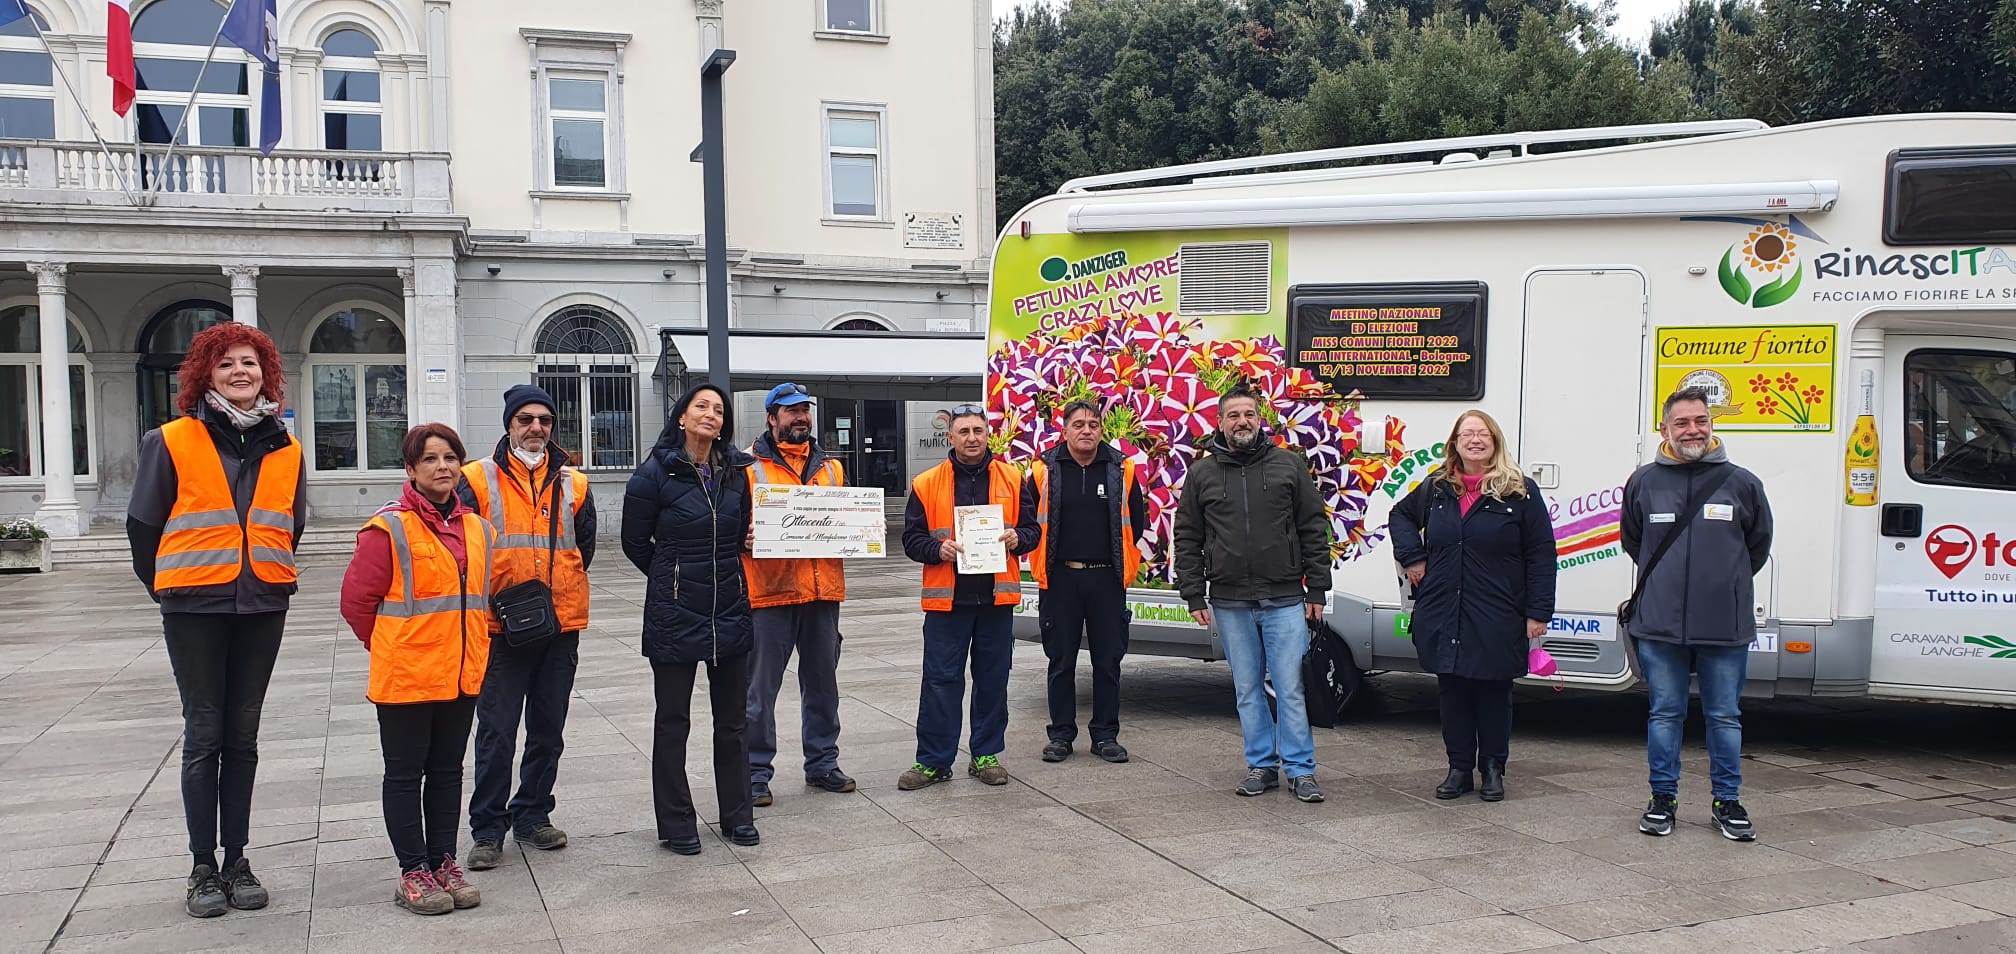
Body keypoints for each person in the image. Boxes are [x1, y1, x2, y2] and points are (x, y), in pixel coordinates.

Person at [126, 322, 305, 919]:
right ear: (205, 374)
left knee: (244, 735)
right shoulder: (171, 439)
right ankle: (202, 865)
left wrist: (264, 571)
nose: (239, 372)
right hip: (194, 606)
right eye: (225, 363)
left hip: (261, 602)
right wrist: (167, 586)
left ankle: (238, 858)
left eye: (249, 362)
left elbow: (290, 524)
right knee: (205, 733)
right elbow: (143, 526)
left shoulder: (288, 445)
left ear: (266, 373)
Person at [339, 424, 493, 916]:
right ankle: (413, 872)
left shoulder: (477, 527)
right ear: (410, 469)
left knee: (448, 772)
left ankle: (443, 861)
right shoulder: (389, 527)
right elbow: (357, 602)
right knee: (405, 774)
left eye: (450, 457)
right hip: (407, 674)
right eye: (430, 459)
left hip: (462, 672)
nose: (443, 467)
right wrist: (391, 644)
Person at [1623, 386, 1773, 841]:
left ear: (1712, 424)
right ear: (1664, 428)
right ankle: (1662, 800)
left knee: (1724, 716)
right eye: (1682, 422)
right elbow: (1634, 542)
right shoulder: (1644, 482)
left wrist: (1722, 586)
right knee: (1664, 713)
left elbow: (1757, 547)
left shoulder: (1742, 482)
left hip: (1723, 626)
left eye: (1701, 421)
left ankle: (1727, 802)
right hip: (1659, 625)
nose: (1693, 430)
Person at [1173, 386, 1331, 804]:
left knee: (1290, 687)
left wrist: (1317, 587)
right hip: (1229, 601)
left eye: (1249, 414)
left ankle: (1301, 770)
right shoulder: (1202, 473)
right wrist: (1192, 592)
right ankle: (1262, 764)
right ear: (1219, 423)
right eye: (1233, 415)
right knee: (1246, 689)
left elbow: (1313, 528)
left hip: (1283, 598)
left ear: (1259, 419)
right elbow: (1187, 535)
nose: (1242, 421)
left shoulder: (1289, 466)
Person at [1390, 410, 1557, 803]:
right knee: (1453, 691)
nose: (1475, 440)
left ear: (1495, 442)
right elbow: (1399, 515)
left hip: (1498, 611)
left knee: (1494, 692)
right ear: (1455, 443)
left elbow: (1541, 554)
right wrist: (1413, 556)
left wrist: (1538, 612)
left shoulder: (1521, 491)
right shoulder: (1436, 488)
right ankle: (1459, 768)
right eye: (1468, 434)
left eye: (1483, 434)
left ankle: (1494, 768)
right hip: (1445, 607)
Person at [460, 384, 595, 870]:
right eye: (525, 419)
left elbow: (585, 547)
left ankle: (533, 813)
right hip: (501, 627)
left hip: (560, 623)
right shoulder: (476, 479)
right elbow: (464, 548)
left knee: (547, 729)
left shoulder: (574, 484)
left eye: (544, 420)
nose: (535, 428)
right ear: (509, 424)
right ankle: (488, 829)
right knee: (496, 731)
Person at [623, 383, 761, 854]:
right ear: (681, 417)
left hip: (730, 611)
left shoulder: (736, 473)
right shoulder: (653, 474)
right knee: (673, 722)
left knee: (734, 722)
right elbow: (635, 542)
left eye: (719, 410)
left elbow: (742, 529)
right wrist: (672, 578)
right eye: (701, 406)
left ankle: (737, 815)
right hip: (675, 613)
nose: (711, 415)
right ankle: (677, 823)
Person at [897, 403, 1039, 790]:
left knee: (993, 680)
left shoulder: (1013, 478)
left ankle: (985, 754)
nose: (972, 438)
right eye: (964, 432)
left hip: (996, 601)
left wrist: (1018, 539)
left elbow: (1033, 531)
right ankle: (933, 761)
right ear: (951, 438)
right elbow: (911, 540)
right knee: (940, 682)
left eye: (978, 430)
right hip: (948, 603)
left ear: (988, 434)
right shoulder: (926, 483)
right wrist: (936, 549)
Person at [742, 383, 855, 808]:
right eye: (790, 412)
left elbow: (845, 519)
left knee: (824, 685)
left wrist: (864, 533)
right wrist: (744, 537)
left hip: (823, 592)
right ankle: (754, 771)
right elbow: (731, 524)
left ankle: (823, 763)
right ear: (771, 418)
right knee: (759, 691)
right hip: (770, 594)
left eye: (804, 410)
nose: (800, 418)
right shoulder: (746, 467)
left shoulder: (832, 469)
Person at [1024, 400, 1147, 764]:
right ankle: (1061, 735)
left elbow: (1135, 522)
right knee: (1060, 660)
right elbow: (1030, 521)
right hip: (1059, 578)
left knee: (1108, 661)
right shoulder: (1043, 469)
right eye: (1078, 424)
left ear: (1101, 430)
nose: (1087, 430)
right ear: (1064, 430)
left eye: (1093, 424)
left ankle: (1105, 735)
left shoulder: (1121, 469)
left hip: (1107, 579)